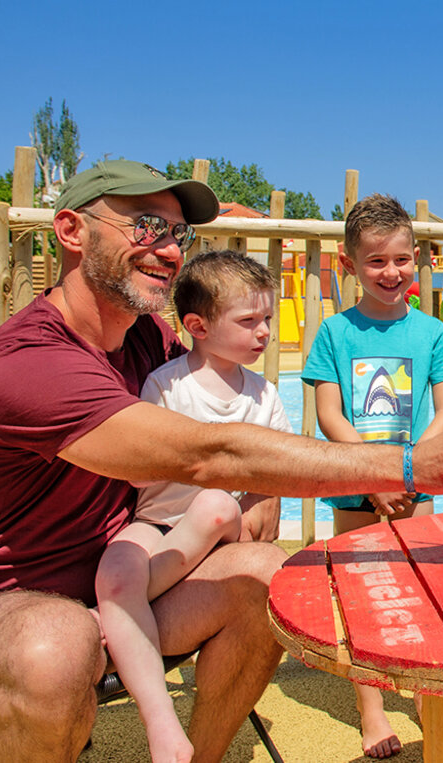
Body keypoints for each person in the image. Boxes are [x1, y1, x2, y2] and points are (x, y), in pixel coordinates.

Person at [0, 160, 443, 762]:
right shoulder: (30, 362)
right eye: (145, 226)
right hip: (14, 601)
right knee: (54, 647)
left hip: (139, 575)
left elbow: (223, 406)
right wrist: (407, 466)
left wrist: (262, 494)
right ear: (71, 231)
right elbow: (206, 451)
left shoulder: (148, 341)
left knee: (270, 574)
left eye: (177, 233)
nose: (168, 249)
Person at [94, 249, 290, 763]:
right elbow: (139, 468)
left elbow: (276, 471)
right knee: (116, 568)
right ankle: (158, 716)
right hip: (158, 522)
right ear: (198, 326)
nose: (264, 332)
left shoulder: (264, 395)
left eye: (267, 319)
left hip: (221, 533)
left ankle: (119, 616)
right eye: (249, 321)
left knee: (215, 506)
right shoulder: (167, 384)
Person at [301, 193, 443, 759]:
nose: (391, 272)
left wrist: (407, 470)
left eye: (400, 259)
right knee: (361, 595)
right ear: (349, 264)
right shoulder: (334, 333)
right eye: (375, 261)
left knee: (423, 594)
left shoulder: (431, 332)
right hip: (354, 489)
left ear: (418, 259)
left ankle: (422, 689)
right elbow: (330, 415)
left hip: (416, 488)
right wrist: (373, 474)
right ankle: (371, 708)